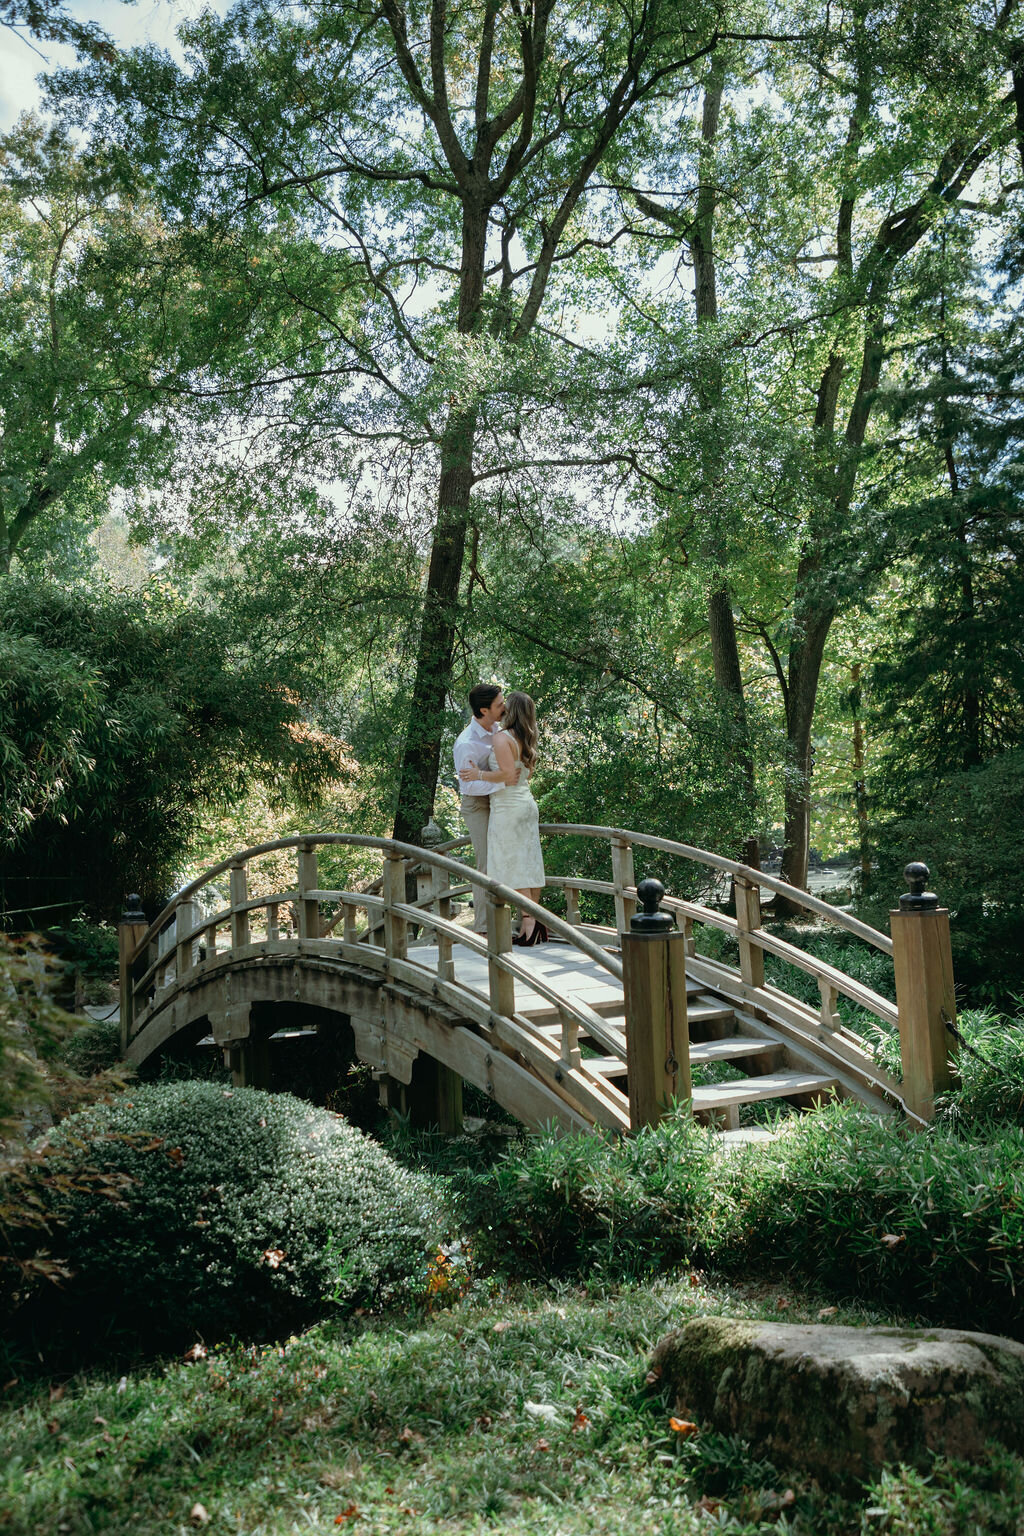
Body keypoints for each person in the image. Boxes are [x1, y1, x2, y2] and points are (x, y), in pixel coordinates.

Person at [460, 690, 547, 946]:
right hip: (525, 803)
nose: (503, 708)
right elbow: (524, 774)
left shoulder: (501, 737)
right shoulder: (525, 737)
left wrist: (478, 774)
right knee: (529, 862)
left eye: (505, 705)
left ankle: (529, 923)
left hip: (508, 807)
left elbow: (508, 775)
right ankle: (535, 923)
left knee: (511, 864)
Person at [452, 684, 518, 934]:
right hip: (477, 804)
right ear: (483, 710)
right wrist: (503, 781)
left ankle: (504, 921)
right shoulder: (466, 743)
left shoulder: (500, 729)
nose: (505, 707)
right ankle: (483, 927)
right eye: (499, 705)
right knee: (487, 863)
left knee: (505, 859)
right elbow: (469, 786)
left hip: (500, 801)